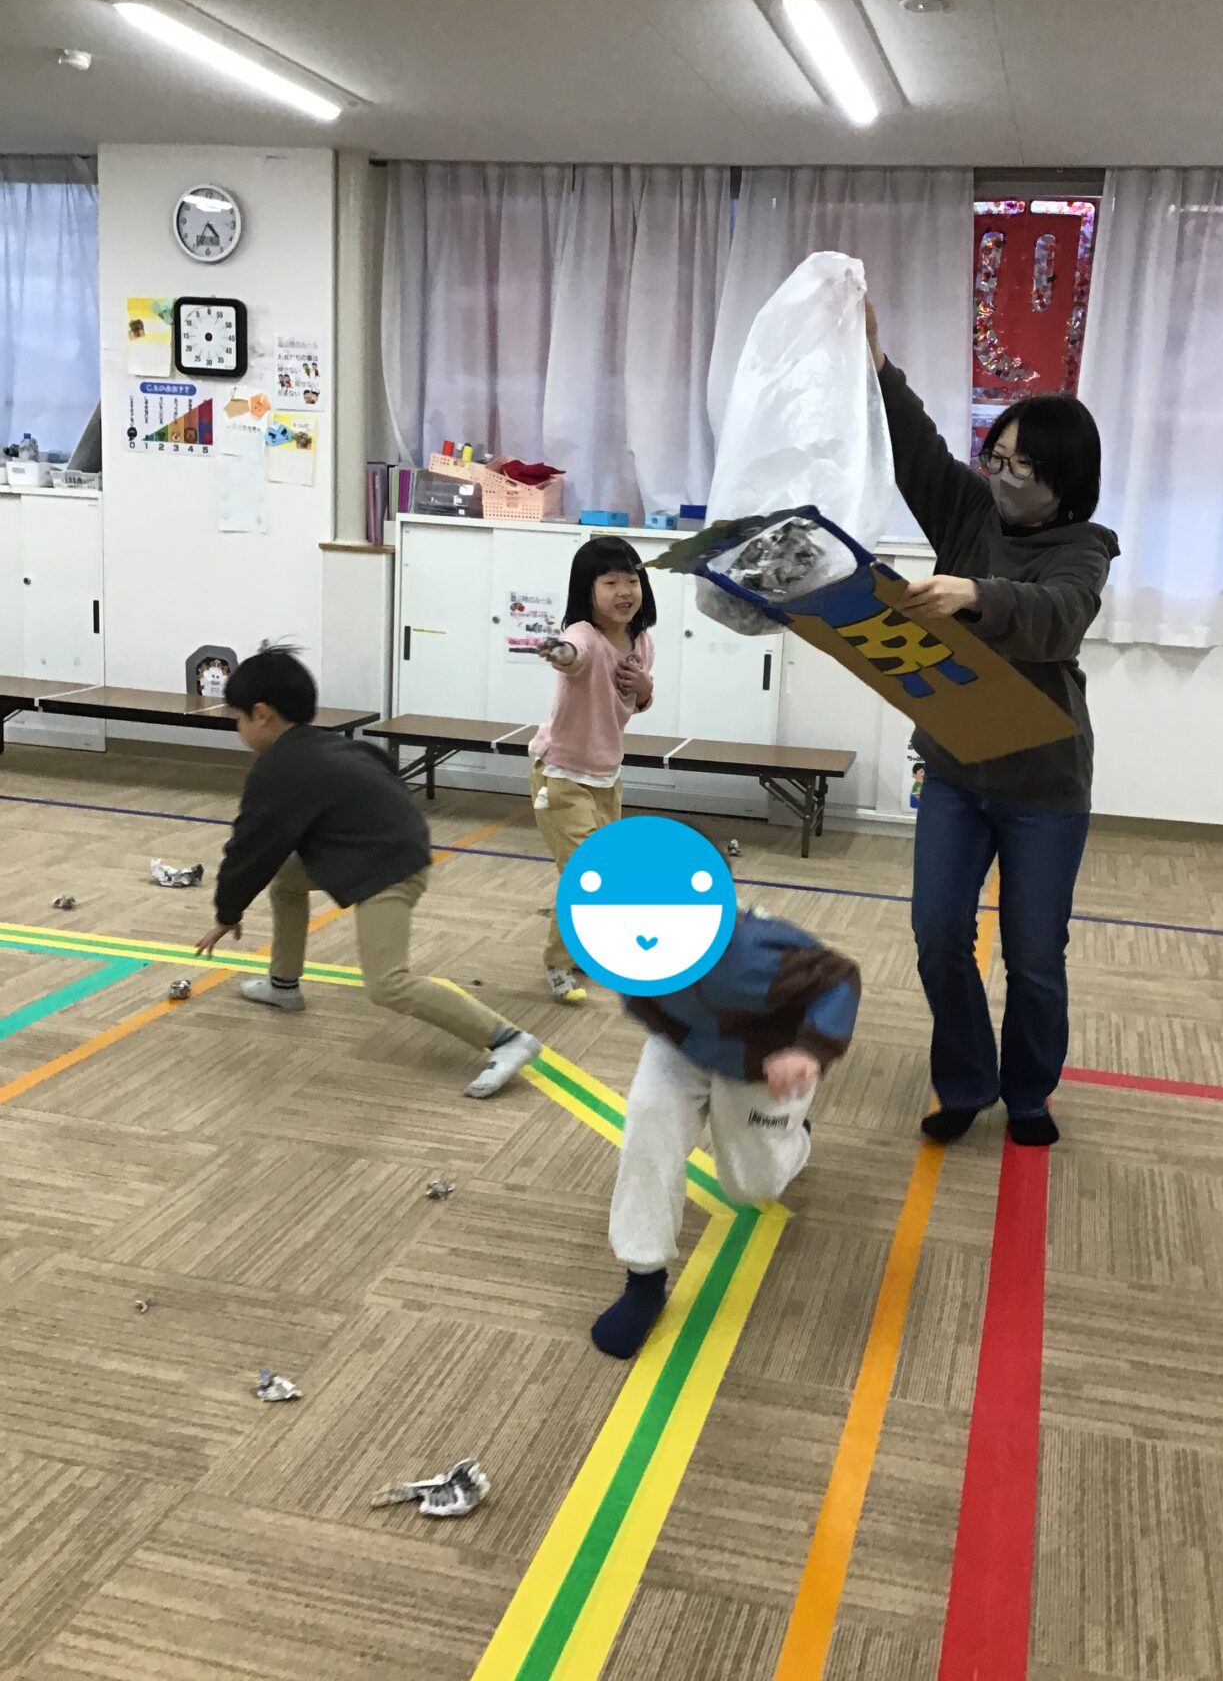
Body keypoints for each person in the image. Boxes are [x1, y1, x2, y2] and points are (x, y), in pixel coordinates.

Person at [866, 301, 1119, 1148]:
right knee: (938, 934)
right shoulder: (968, 512)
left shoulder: (1085, 548)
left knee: (1035, 956)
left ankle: (1030, 1092)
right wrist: (877, 360)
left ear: (1065, 482)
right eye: (997, 458)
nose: (1003, 477)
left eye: (1023, 468)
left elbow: (1057, 619)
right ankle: (966, 1081)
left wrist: (974, 593)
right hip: (955, 768)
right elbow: (915, 446)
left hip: (1044, 784)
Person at [193, 643, 540, 1099]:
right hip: (382, 847)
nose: (237, 729)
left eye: (237, 719)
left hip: (389, 868)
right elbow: (381, 766)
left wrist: (227, 912)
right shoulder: (327, 743)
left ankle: (508, 1039)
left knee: (388, 984)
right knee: (287, 880)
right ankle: (283, 985)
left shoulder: (278, 768)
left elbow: (248, 848)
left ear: (261, 714)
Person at [591, 906, 861, 1360]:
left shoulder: (759, 952)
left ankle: (796, 1137)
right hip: (682, 1046)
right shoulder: (620, 938)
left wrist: (810, 1050)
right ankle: (644, 1280)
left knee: (752, 1187)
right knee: (648, 1126)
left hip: (764, 1063)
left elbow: (841, 978)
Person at [530, 537, 656, 1004]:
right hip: (562, 776)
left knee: (606, 872)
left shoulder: (642, 641)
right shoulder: (584, 634)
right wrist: (558, 651)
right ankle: (557, 963)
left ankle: (580, 949)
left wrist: (644, 685)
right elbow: (573, 654)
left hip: (606, 776)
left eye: (632, 581)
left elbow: (637, 702)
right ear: (588, 590)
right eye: (610, 583)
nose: (624, 592)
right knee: (587, 874)